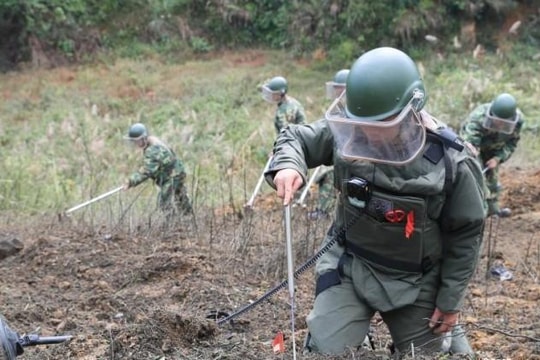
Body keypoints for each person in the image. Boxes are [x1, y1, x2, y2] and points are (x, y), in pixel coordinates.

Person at [264, 47, 486, 357]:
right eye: (361, 123)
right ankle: (352, 329)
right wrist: (288, 164)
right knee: (325, 353)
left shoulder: (452, 163)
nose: (367, 132)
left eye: (381, 124)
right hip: (351, 265)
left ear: (412, 109)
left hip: (418, 281)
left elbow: (466, 234)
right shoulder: (350, 131)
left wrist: (449, 301)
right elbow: (296, 137)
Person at [460, 92, 524, 217]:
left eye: (503, 123)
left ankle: (493, 210)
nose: (499, 125)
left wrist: (497, 158)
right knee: (477, 175)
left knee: (492, 177)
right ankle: (478, 211)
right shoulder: (477, 118)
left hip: (494, 149)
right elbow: (470, 145)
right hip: (474, 147)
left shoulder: (518, 121)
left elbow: (511, 144)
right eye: (496, 121)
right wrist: (475, 158)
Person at [123, 123, 192, 216]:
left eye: (137, 141)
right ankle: (188, 220)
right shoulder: (155, 143)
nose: (136, 144)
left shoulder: (152, 150)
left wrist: (130, 181)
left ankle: (173, 225)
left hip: (172, 176)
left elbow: (147, 171)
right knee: (181, 197)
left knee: (164, 201)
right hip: (177, 173)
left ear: (144, 138)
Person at [309, 69, 349, 220]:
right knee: (325, 177)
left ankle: (323, 211)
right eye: (336, 88)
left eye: (340, 88)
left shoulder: (356, 109)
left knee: (330, 177)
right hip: (337, 153)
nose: (337, 92)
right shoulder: (337, 108)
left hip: (352, 157)